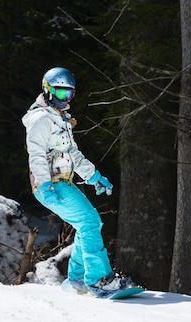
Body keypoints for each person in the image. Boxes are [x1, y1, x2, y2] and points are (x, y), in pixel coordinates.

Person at [22, 67, 132, 297]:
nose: (65, 99)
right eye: (61, 94)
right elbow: (37, 155)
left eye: (69, 95)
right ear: (48, 90)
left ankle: (77, 279)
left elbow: (73, 153)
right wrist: (44, 185)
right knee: (90, 222)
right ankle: (99, 280)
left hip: (64, 182)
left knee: (89, 224)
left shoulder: (60, 119)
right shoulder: (41, 119)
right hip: (51, 185)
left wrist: (94, 177)